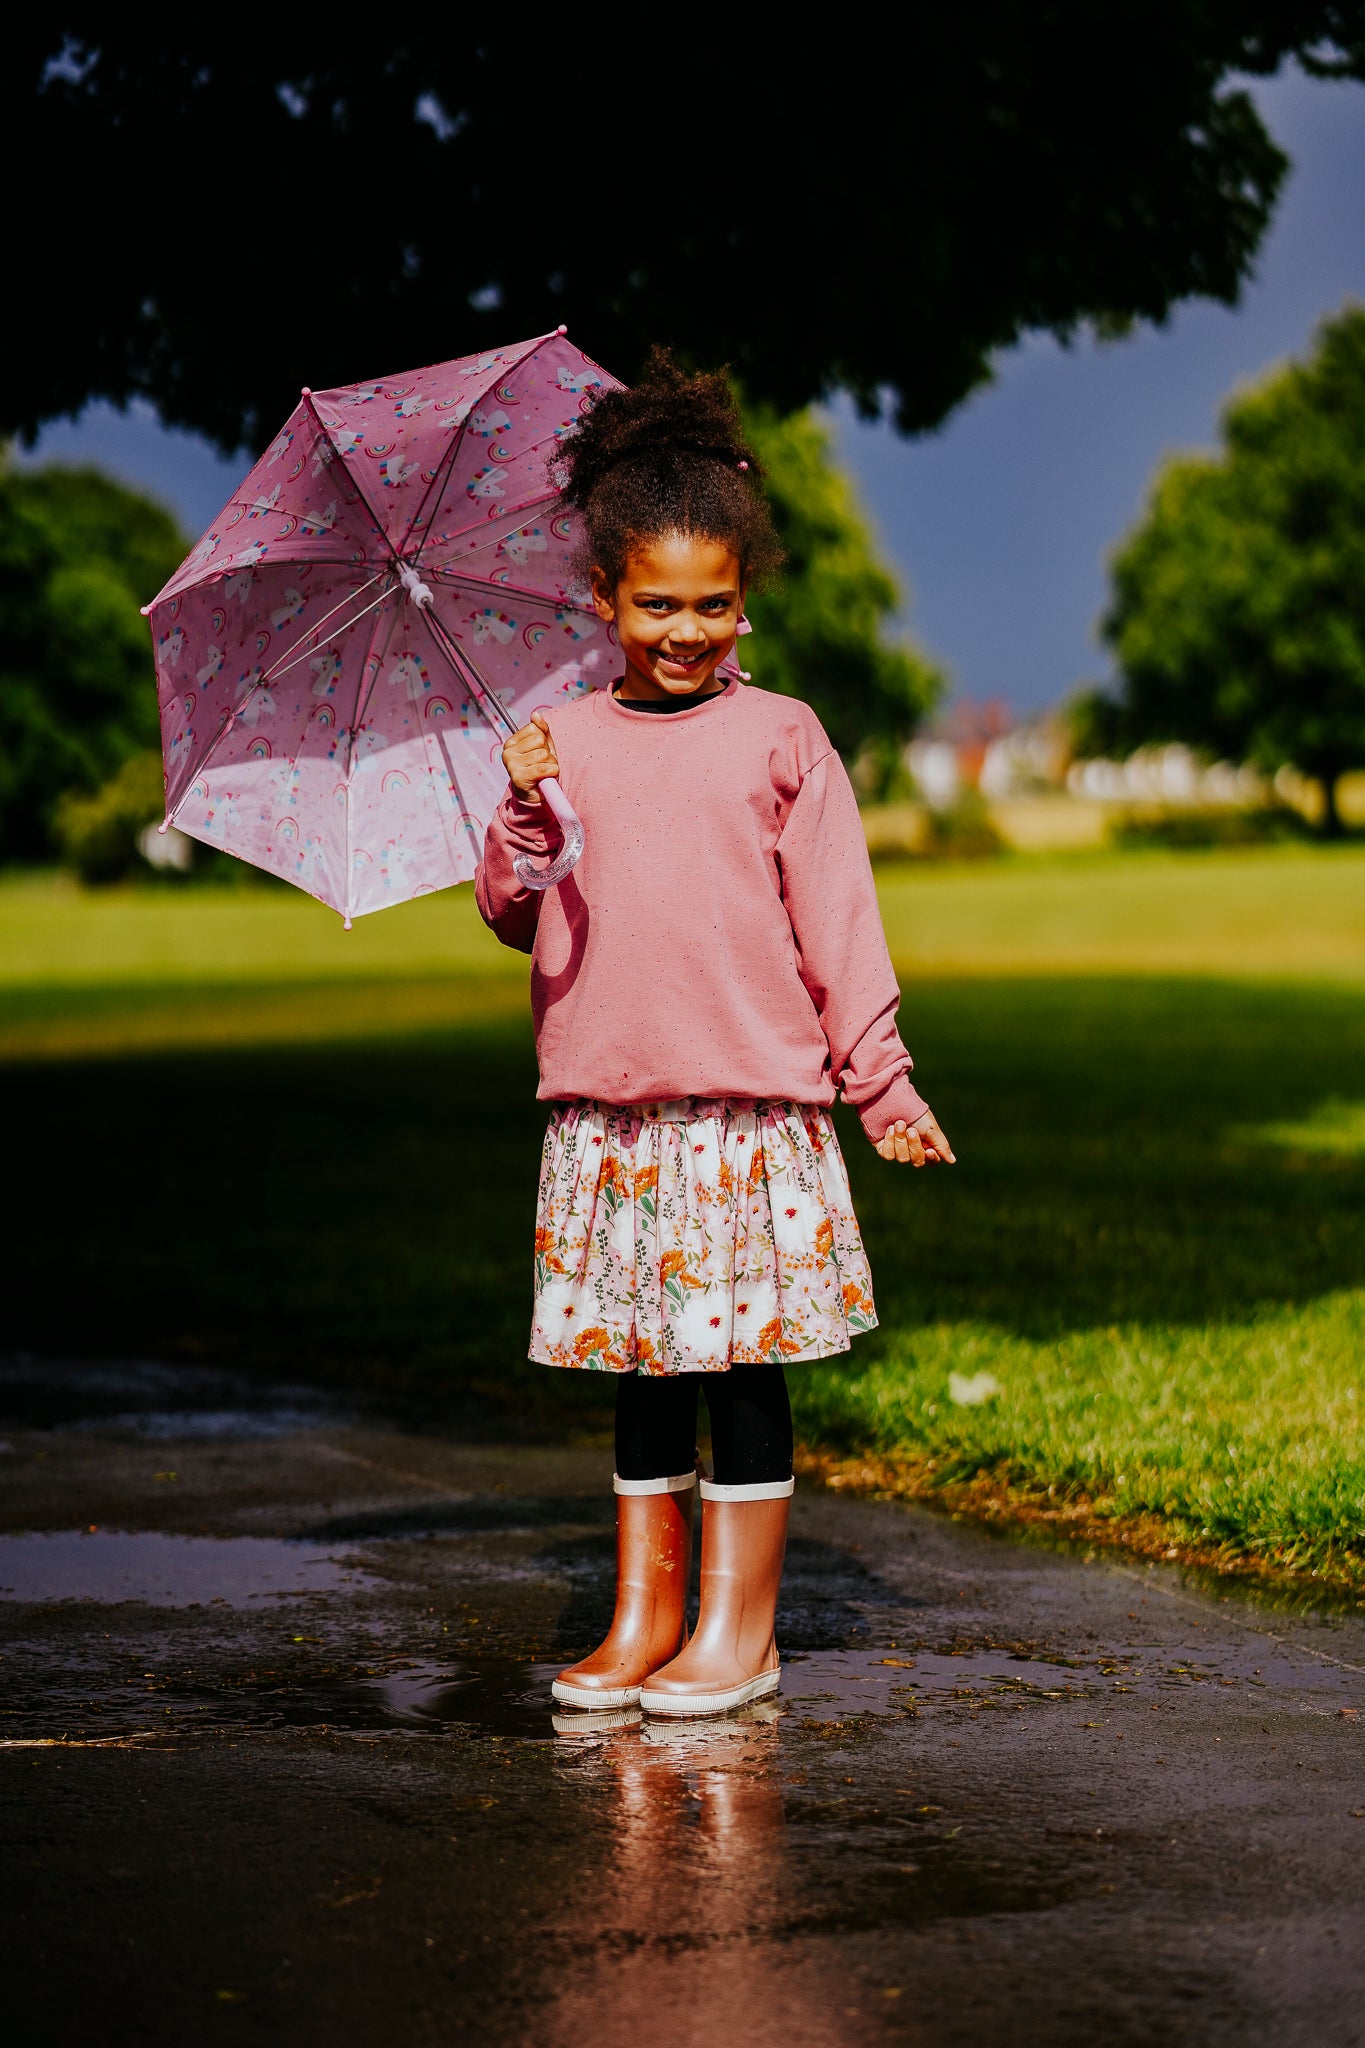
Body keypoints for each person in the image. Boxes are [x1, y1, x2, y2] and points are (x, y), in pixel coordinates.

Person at [475, 351, 954, 1718]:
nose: (685, 632)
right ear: (604, 599)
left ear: (744, 598)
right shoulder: (557, 742)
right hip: (611, 1115)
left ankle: (737, 1632)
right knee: (639, 1371)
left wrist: (883, 1085)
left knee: (739, 1367)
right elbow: (513, 912)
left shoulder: (782, 738)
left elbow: (839, 930)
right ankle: (642, 1617)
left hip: (747, 1113)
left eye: (713, 607)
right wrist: (521, 814)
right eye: (655, 606)